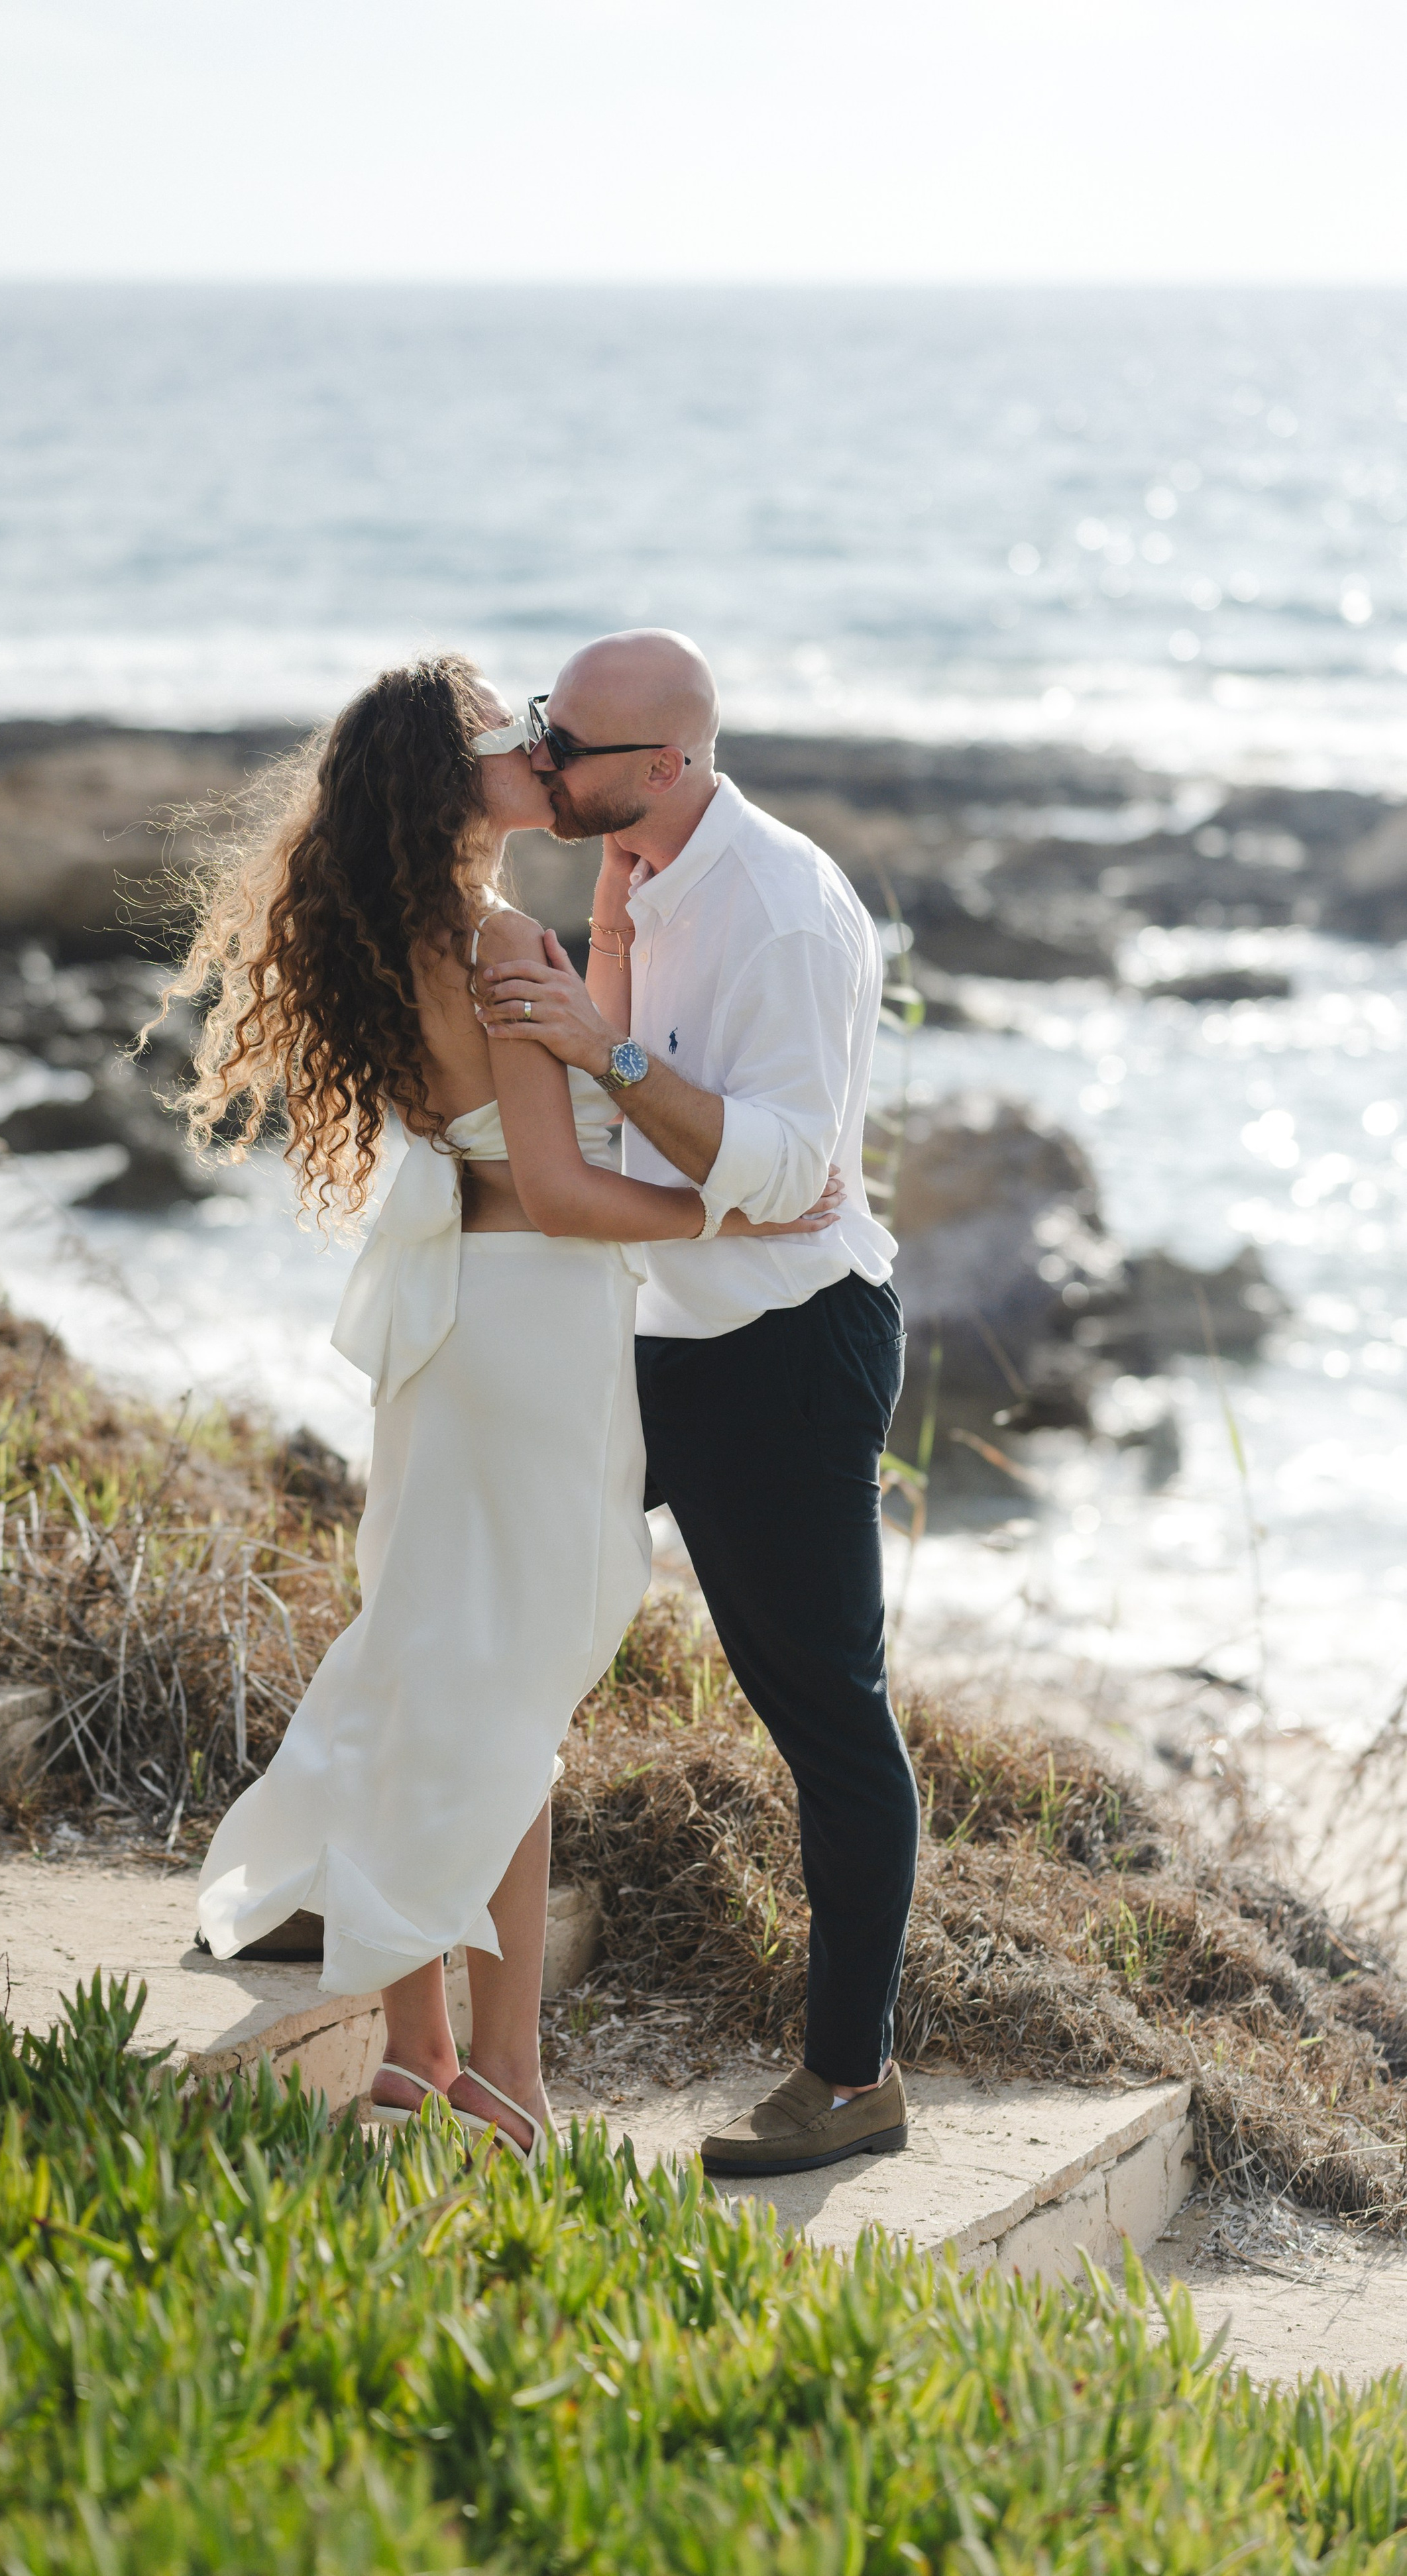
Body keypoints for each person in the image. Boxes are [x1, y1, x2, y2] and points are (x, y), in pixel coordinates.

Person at [168, 653, 840, 2165]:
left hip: (452, 1323)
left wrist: (606, 935)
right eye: (509, 735)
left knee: (435, 1673)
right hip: (532, 1335)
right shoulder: (494, 942)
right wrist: (739, 1213)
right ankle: (511, 2076)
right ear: (449, 779)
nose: (540, 748)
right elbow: (561, 1188)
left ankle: (424, 2059)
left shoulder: (398, 935)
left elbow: (500, 1150)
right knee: (508, 1696)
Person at [477, 629, 919, 2178]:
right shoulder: (645, 871)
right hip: (661, 1327)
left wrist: (594, 1040)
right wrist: (604, 956)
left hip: (784, 1351)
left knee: (827, 1721)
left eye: (568, 747)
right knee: (488, 1576)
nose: (540, 760)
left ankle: (850, 2080)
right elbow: (629, 1125)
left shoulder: (779, 912)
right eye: (540, 728)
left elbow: (788, 1172)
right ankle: (383, 1878)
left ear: (664, 764)